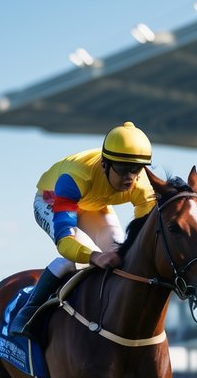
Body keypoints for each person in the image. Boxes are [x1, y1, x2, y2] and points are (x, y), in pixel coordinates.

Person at [9, 121, 157, 336]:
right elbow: (65, 242)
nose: (130, 177)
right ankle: (28, 312)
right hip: (53, 198)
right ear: (105, 164)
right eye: (124, 169)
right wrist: (94, 256)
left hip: (93, 203)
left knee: (119, 252)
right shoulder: (76, 177)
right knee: (76, 257)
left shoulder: (143, 187)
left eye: (136, 169)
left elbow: (142, 241)